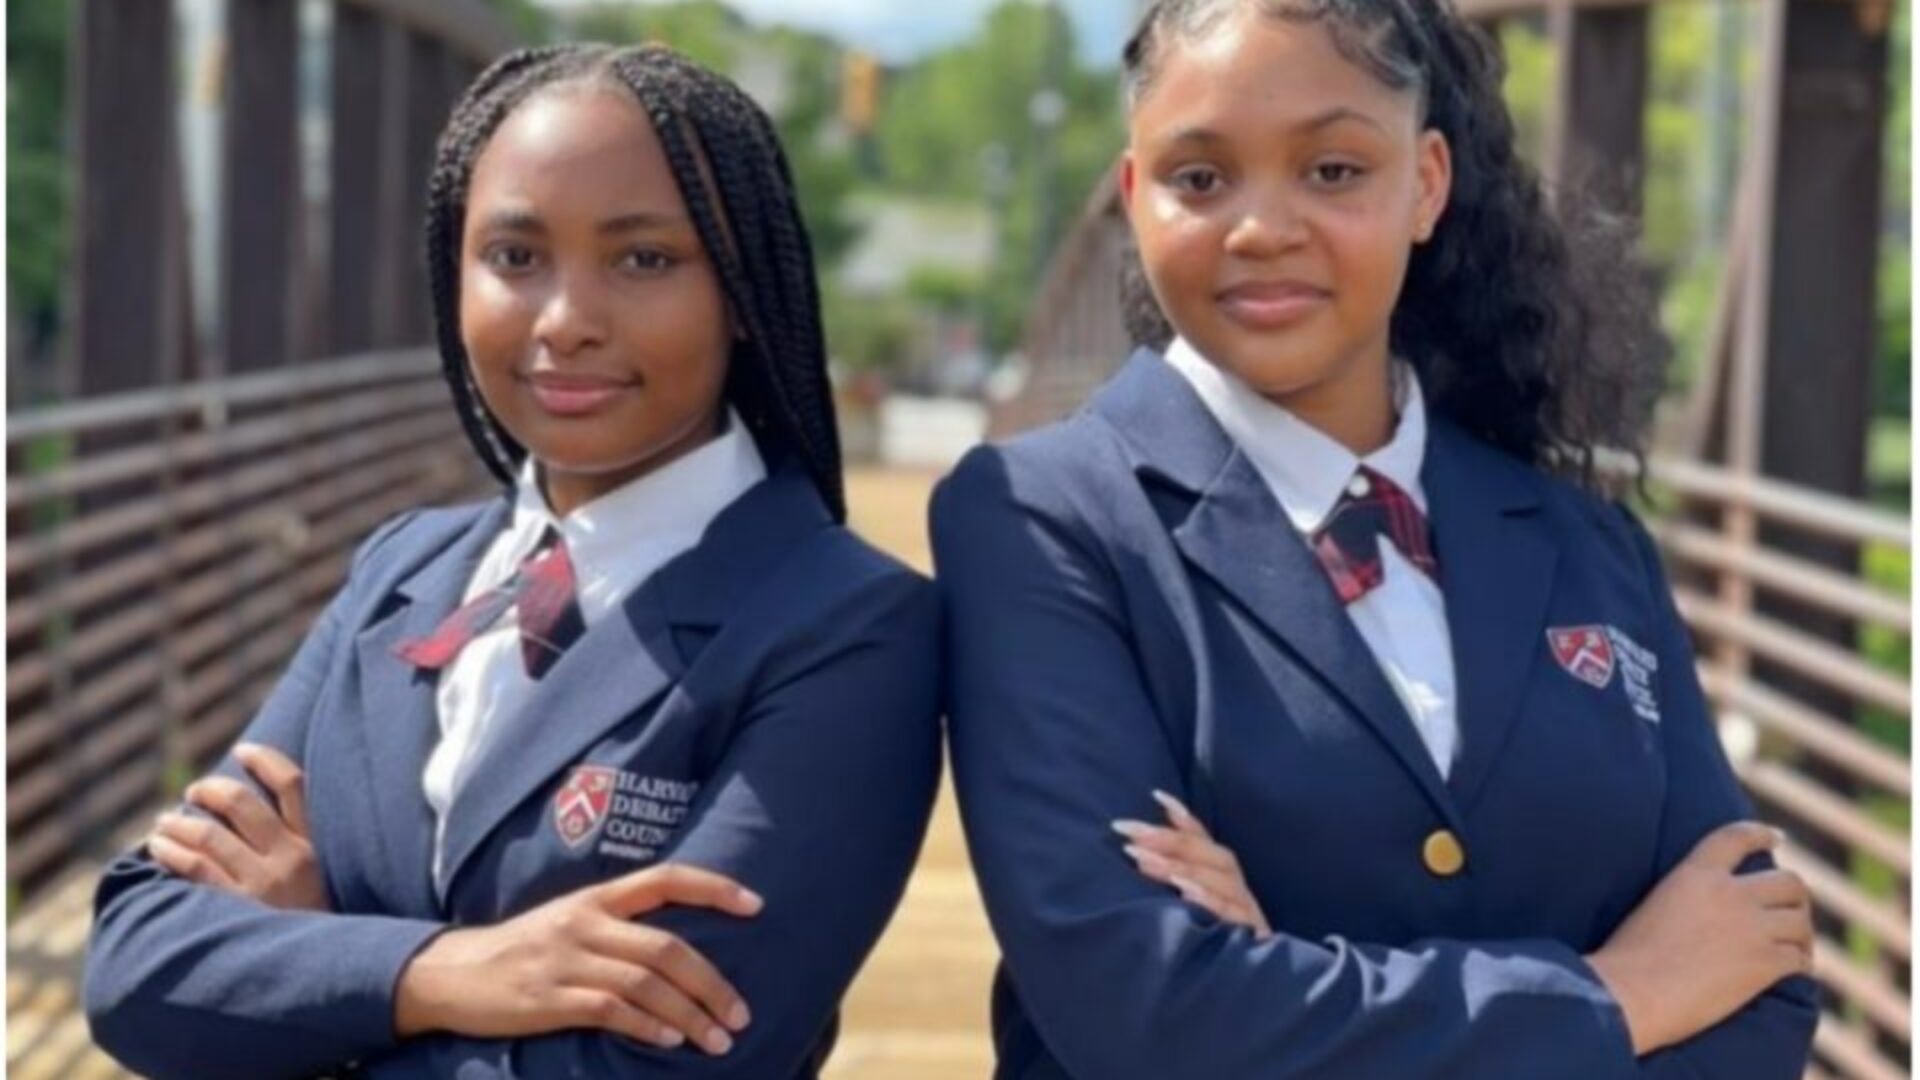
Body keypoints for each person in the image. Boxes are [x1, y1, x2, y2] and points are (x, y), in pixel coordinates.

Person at [931, 2, 1819, 1076]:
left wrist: (1288, 984)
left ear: (1427, 184)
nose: (1263, 228)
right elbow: (1149, 1013)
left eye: (1335, 171)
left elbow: (1757, 979)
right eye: (1200, 180)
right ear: (1135, 198)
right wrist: (1621, 992)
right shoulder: (1041, 518)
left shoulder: (1590, 543)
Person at [86, 42, 941, 1080]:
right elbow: (133, 963)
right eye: (515, 257)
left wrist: (303, 988)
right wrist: (443, 975)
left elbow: (658, 1068)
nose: (566, 323)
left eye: (644, 261)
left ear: (743, 295)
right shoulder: (401, 570)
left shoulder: (850, 626)